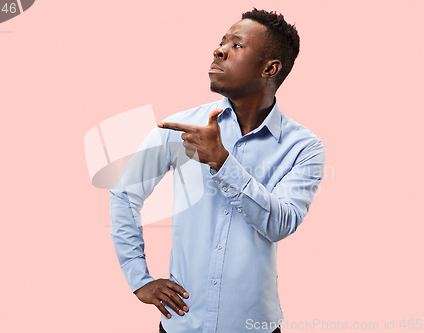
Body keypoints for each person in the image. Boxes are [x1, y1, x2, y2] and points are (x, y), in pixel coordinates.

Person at [110, 8, 325, 333]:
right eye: (222, 41)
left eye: (237, 45)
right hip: (182, 324)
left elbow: (281, 223)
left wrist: (222, 163)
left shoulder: (303, 147)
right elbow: (124, 194)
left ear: (270, 68)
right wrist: (138, 278)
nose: (218, 50)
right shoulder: (181, 127)